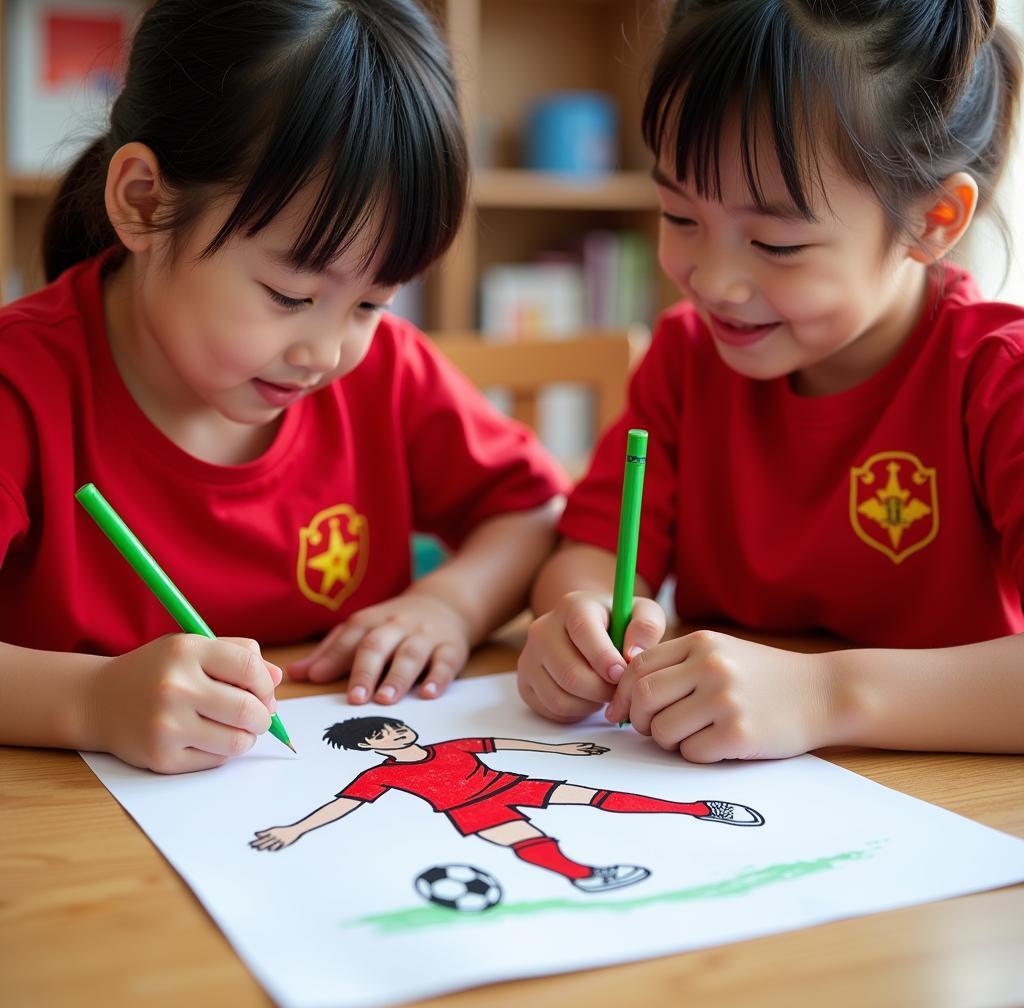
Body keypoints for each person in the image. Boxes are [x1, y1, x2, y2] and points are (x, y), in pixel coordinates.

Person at [0, 0, 567, 774]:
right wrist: (90, 699)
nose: (326, 350)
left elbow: (533, 511)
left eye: (372, 301)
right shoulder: (22, 388)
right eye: (290, 295)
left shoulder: (387, 372)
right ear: (143, 201)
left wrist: (450, 605)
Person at [517, 0, 1024, 760]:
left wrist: (826, 697)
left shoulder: (996, 379)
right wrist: (576, 618)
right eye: (680, 216)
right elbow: (590, 549)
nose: (715, 282)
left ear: (933, 220)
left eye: (776, 243)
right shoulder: (688, 358)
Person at [250, 717, 763, 893]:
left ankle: (698, 810)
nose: (397, 732)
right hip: (470, 812)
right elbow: (343, 806)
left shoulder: (453, 746)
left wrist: (562, 750)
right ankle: (585, 876)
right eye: (383, 734)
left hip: (510, 784)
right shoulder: (379, 774)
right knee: (529, 843)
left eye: (397, 725)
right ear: (369, 746)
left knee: (598, 798)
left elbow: (508, 744)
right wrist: (295, 829)